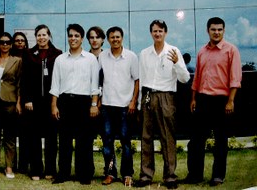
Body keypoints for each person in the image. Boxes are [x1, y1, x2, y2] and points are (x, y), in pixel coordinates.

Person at [185, 17, 242, 186]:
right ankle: (195, 175)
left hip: (222, 101)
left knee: (220, 141)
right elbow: (197, 78)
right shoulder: (202, 51)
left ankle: (218, 176)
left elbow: (235, 79)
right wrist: (194, 98)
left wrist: (230, 101)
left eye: (219, 29)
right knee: (196, 141)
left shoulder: (231, 50)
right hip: (202, 100)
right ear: (207, 31)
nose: (216, 32)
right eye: (213, 29)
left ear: (223, 31)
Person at [138, 19, 190, 189]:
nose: (157, 34)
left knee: (167, 137)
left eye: (160, 31)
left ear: (165, 32)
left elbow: (185, 78)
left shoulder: (173, 51)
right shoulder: (144, 53)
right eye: (154, 31)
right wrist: (140, 102)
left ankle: (170, 176)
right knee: (146, 137)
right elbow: (142, 78)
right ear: (151, 33)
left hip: (167, 96)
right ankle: (146, 175)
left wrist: (176, 63)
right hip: (147, 96)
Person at [50, 23, 100, 185]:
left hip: (83, 102)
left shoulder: (91, 59)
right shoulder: (60, 59)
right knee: (64, 140)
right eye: (70, 35)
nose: (73, 38)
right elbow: (55, 84)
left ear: (82, 38)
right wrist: (54, 105)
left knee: (83, 141)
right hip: (65, 102)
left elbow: (95, 84)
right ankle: (63, 173)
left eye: (76, 36)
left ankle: (83, 174)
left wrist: (94, 104)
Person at [98, 26, 139, 186]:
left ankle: (127, 174)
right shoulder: (102, 56)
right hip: (107, 106)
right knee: (107, 142)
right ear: (108, 39)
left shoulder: (131, 57)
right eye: (112, 37)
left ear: (122, 38)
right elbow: (99, 79)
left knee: (125, 142)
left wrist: (133, 101)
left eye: (118, 37)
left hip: (125, 106)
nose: (115, 39)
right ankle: (110, 173)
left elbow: (137, 80)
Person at [21, 24, 62, 180]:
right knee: (34, 137)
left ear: (49, 36)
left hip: (51, 101)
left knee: (52, 137)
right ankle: (36, 169)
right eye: (39, 35)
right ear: (35, 37)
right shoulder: (29, 54)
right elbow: (24, 79)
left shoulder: (57, 54)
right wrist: (27, 99)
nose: (41, 38)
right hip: (34, 102)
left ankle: (50, 169)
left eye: (44, 34)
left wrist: (57, 103)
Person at [0, 32, 22, 179]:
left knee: (9, 136)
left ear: (11, 44)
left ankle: (9, 167)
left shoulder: (17, 61)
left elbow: (20, 83)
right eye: (2, 42)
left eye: (8, 42)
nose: (5, 45)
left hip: (10, 101)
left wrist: (19, 102)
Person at [11, 31, 30, 174]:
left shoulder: (29, 57)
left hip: (24, 99)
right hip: (9, 98)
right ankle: (12, 164)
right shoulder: (9, 58)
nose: (19, 42)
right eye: (17, 40)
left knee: (25, 135)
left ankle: (23, 164)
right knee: (12, 134)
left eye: (22, 40)